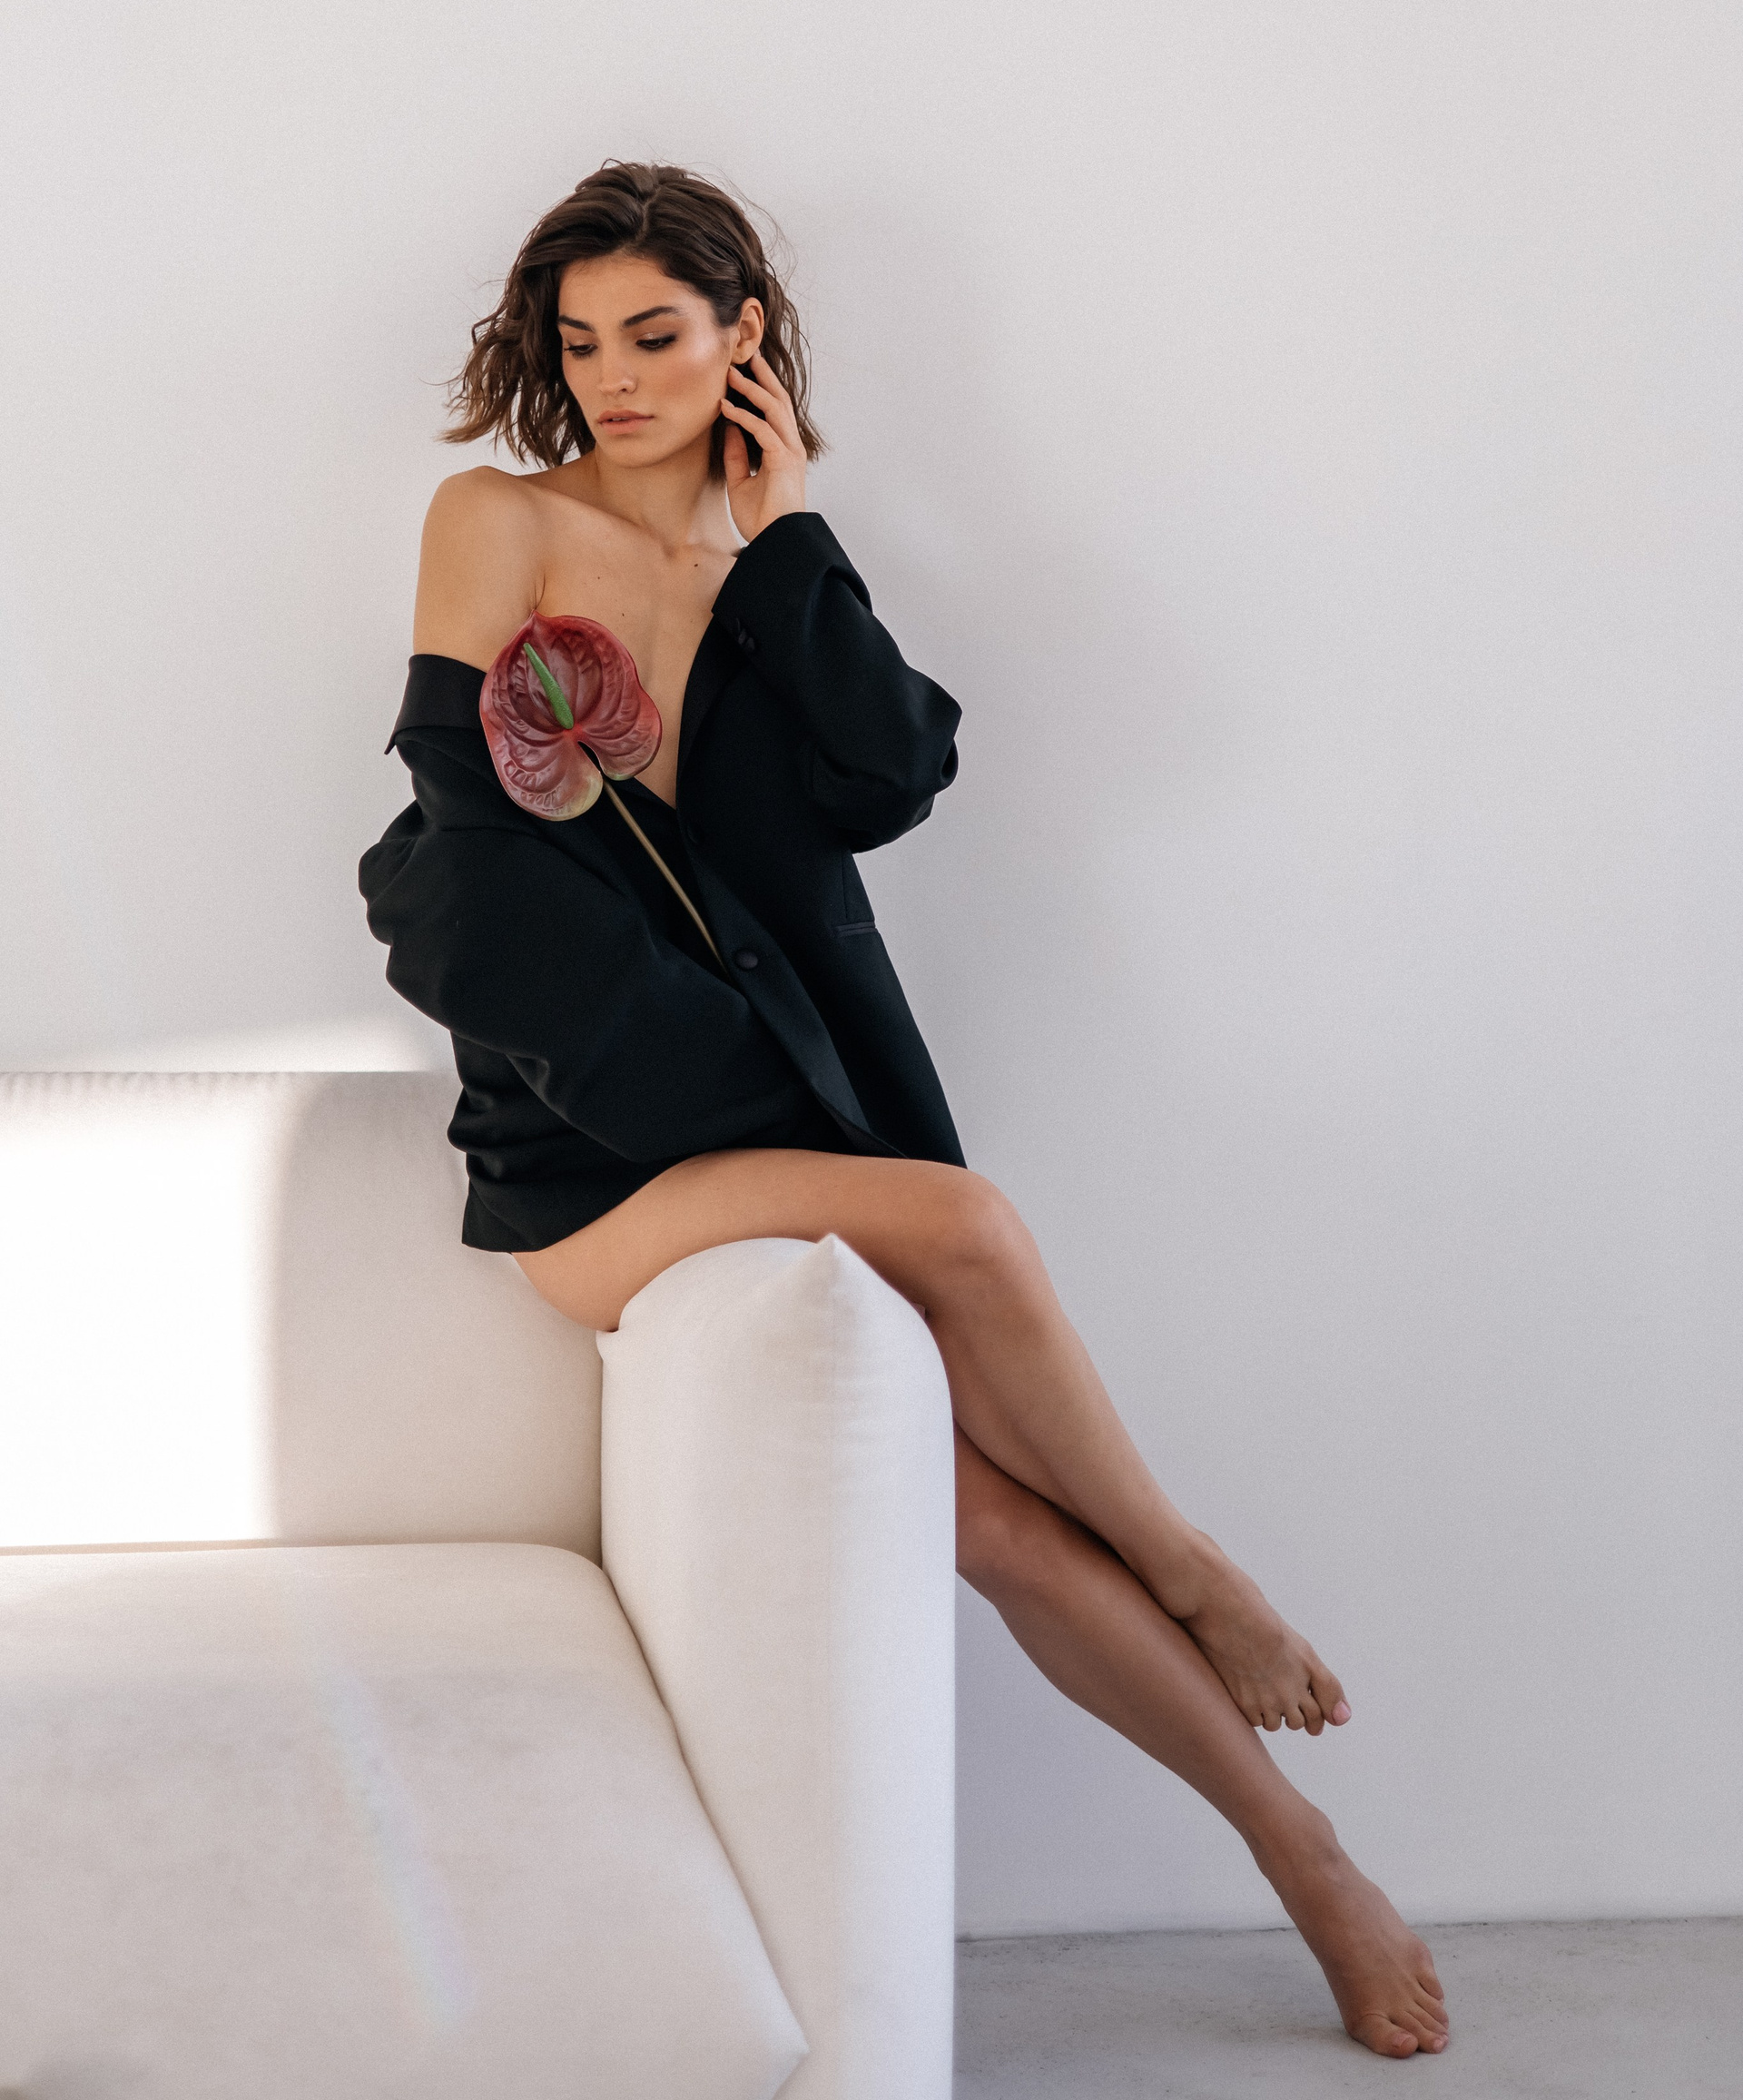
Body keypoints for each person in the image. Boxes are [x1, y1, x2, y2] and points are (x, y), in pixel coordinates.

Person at [359, 161, 1449, 2063]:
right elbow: (465, 826)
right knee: (968, 1219)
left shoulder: (770, 582)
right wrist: (697, 1065)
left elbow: (888, 775)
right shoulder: (498, 518)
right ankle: (1193, 1562)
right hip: (590, 1154)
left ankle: (1307, 1856)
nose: (612, 377)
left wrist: (789, 534)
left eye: (656, 335)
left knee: (1000, 1528)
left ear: (744, 342)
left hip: (793, 1118)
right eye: (582, 341)